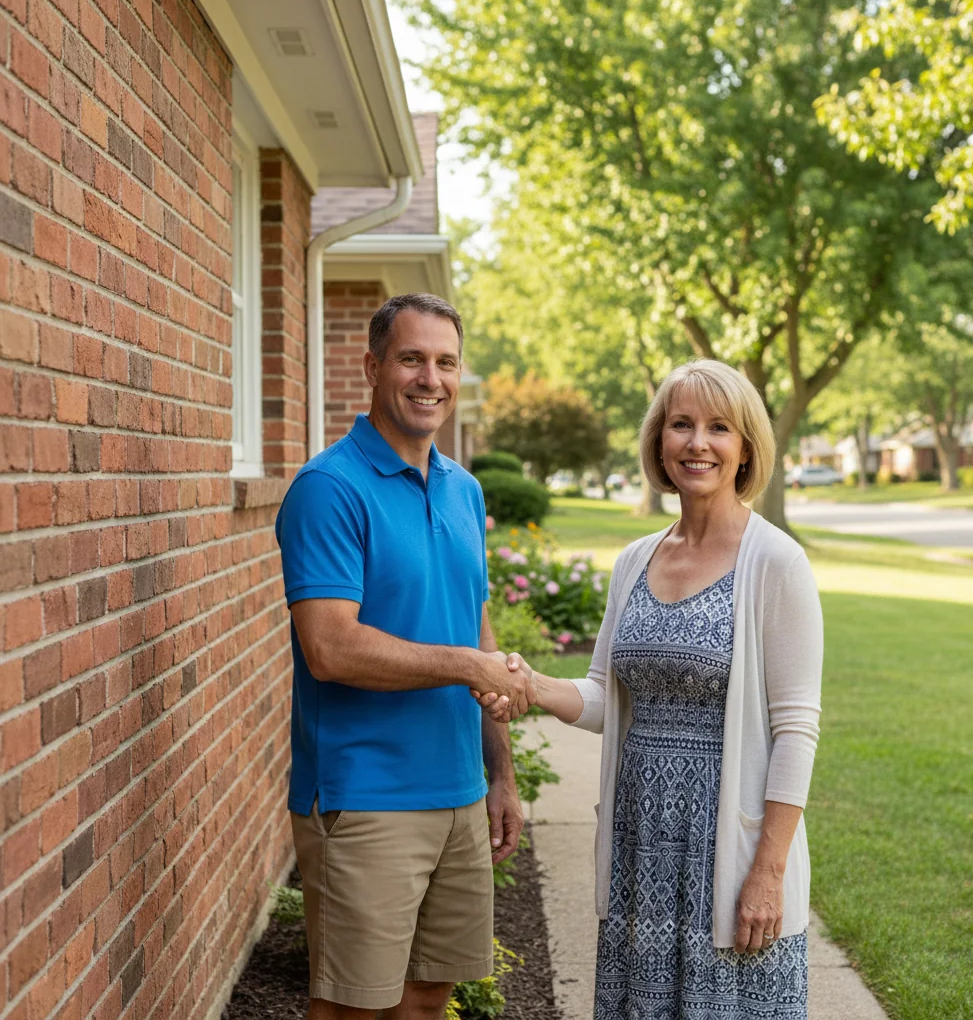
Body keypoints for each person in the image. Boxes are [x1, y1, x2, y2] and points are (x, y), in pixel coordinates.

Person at [478, 359, 823, 1018]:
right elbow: (608, 696)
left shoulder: (777, 563)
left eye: (719, 428)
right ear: (658, 441)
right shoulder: (636, 560)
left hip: (727, 851)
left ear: (746, 446)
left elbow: (796, 729)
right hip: (643, 853)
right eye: (682, 425)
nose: (698, 443)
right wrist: (528, 683)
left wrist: (768, 872)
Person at [275, 293, 530, 1020]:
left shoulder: (463, 489)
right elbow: (329, 647)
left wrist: (501, 776)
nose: (431, 379)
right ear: (373, 367)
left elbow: (478, 637)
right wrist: (467, 667)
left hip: (457, 791)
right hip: (366, 797)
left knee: (427, 1000)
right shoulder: (330, 488)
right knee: (354, 1007)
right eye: (412, 359)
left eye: (446, 362)